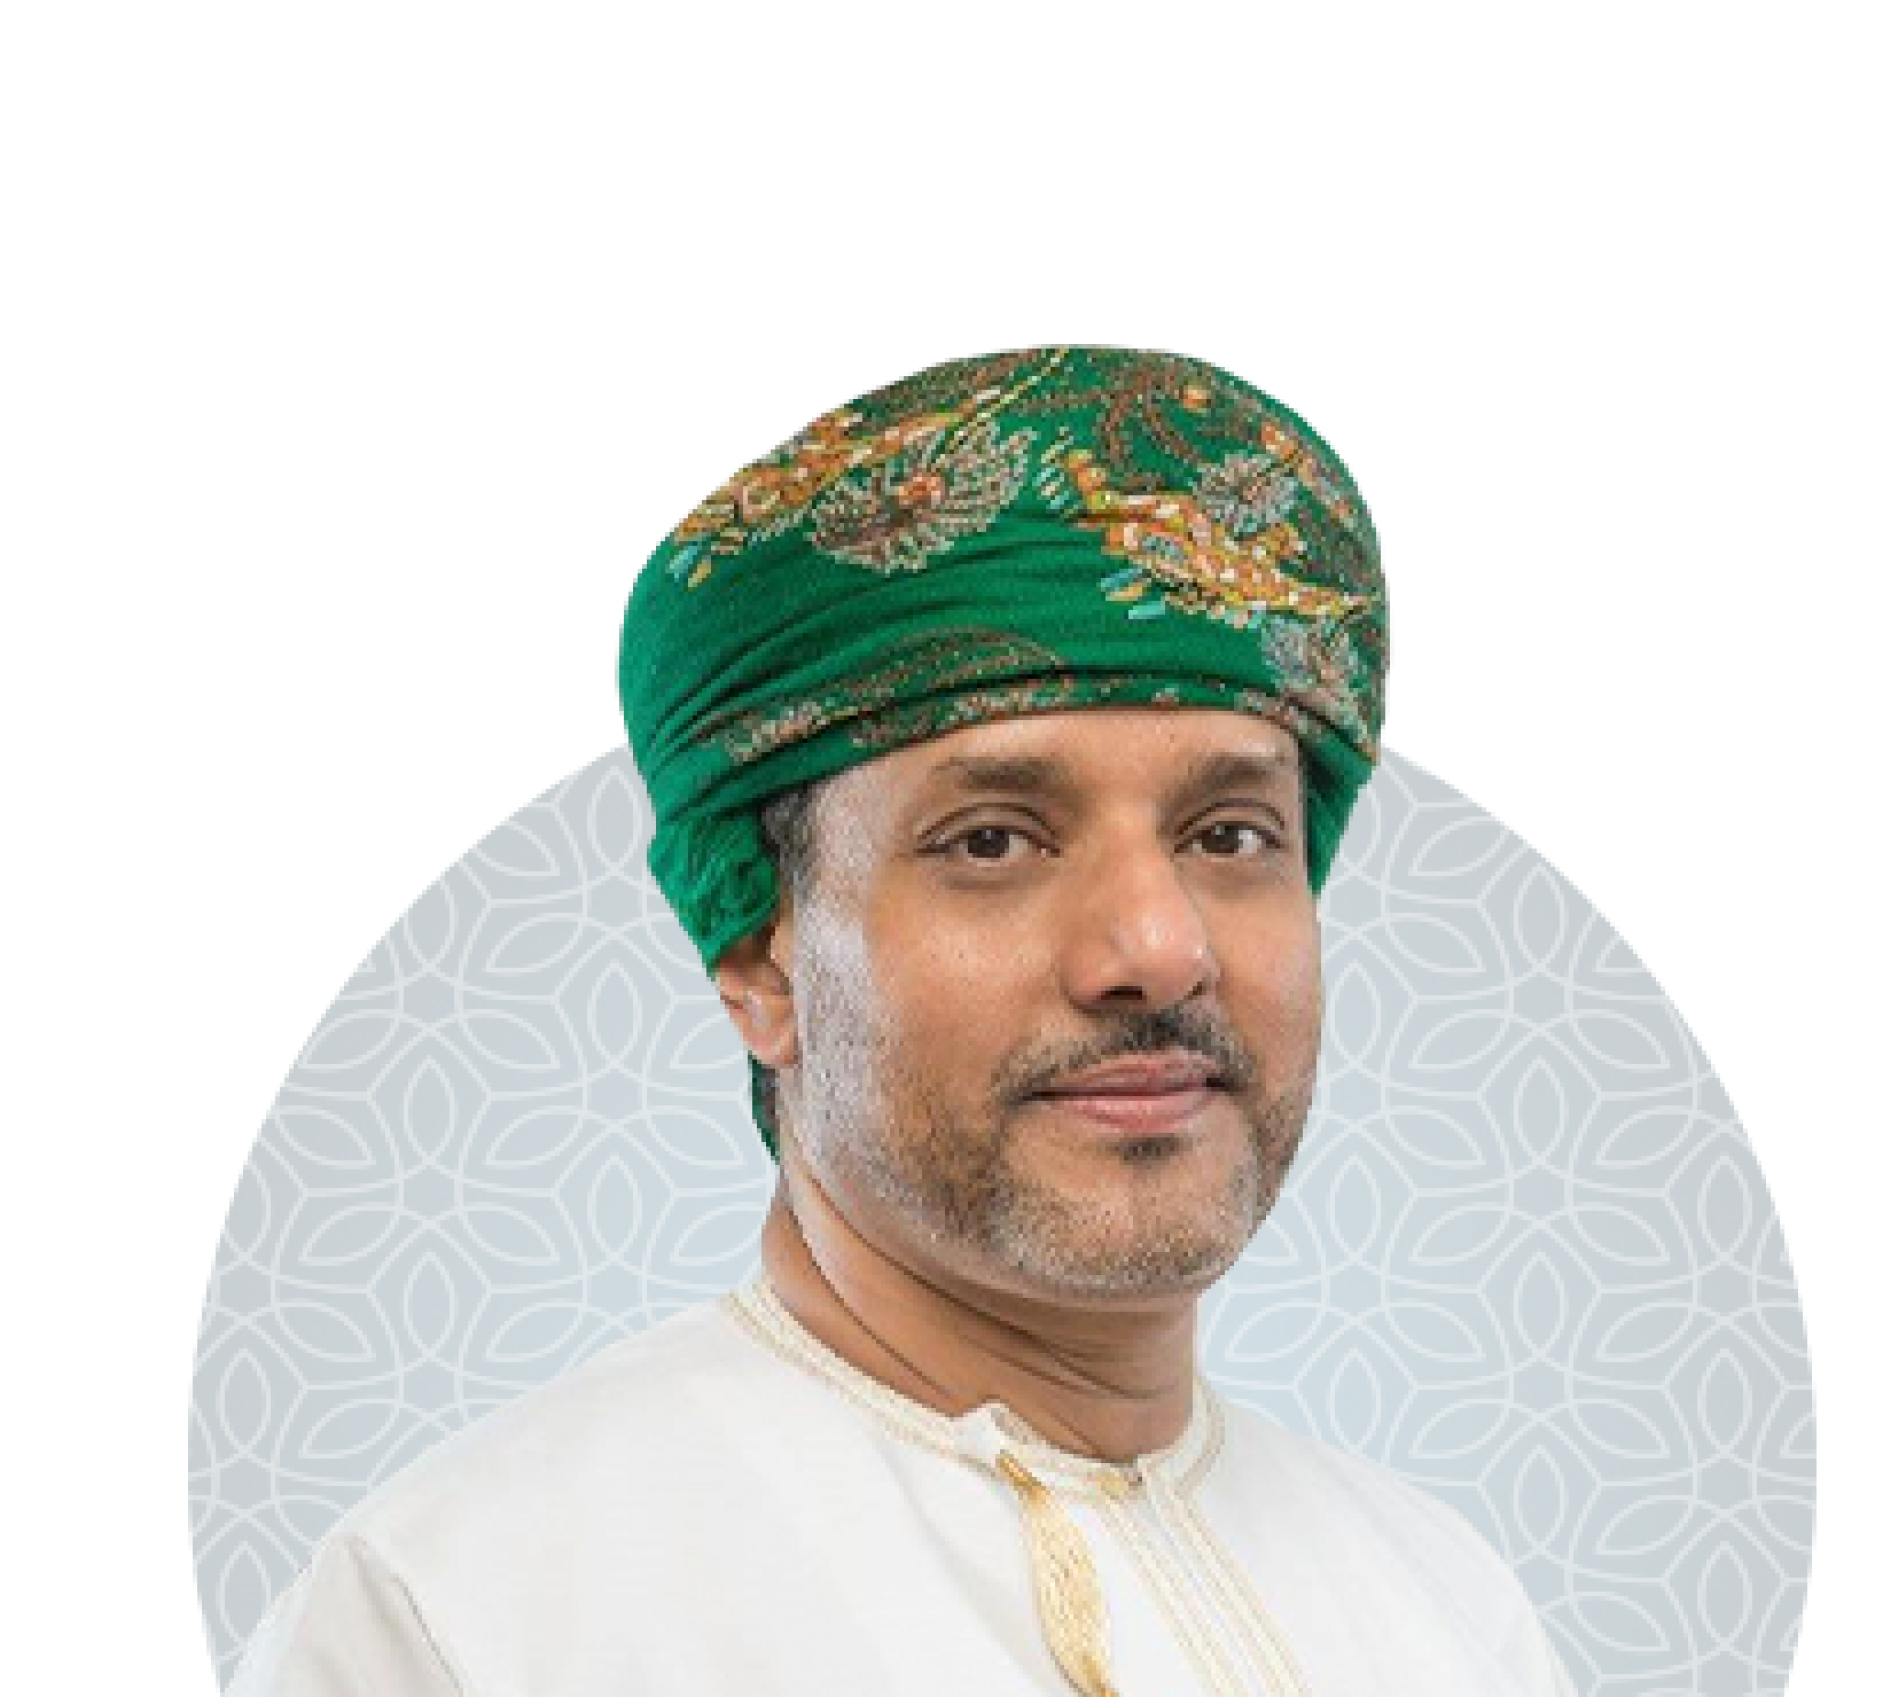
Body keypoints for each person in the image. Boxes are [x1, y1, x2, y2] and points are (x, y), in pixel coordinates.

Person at [223, 343, 1577, 1696]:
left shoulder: (1447, 1607)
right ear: (759, 963)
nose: (1160, 952)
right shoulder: (465, 1617)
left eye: (1229, 835)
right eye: (992, 842)